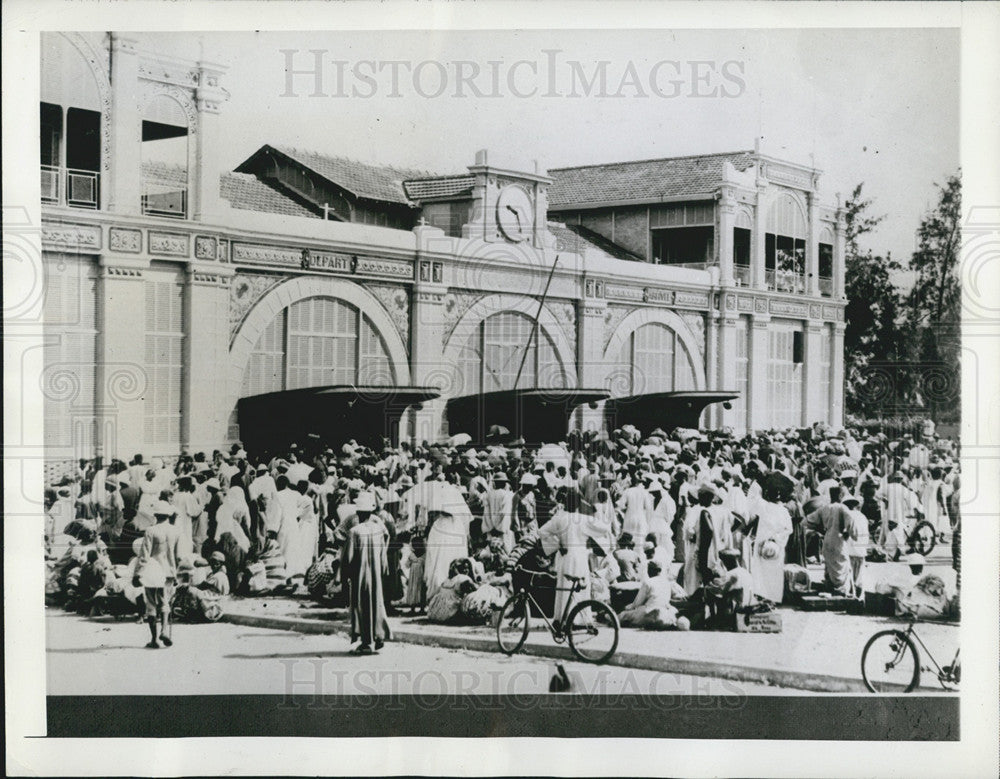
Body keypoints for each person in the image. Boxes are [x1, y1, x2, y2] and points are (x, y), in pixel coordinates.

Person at [342, 492, 391, 654]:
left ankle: (366, 642)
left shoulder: (354, 532)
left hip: (360, 572)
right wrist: (383, 566)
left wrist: (344, 577)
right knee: (377, 602)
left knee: (362, 605)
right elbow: (385, 543)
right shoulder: (378, 529)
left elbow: (348, 557)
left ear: (358, 513)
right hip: (376, 572)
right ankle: (379, 636)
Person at [133, 500, 181, 648]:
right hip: (168, 571)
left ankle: (154, 639)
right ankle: (165, 630)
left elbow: (144, 555)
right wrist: (175, 573)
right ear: (168, 515)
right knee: (164, 601)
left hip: (152, 570)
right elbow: (178, 555)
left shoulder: (150, 531)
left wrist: (137, 573)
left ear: (156, 515)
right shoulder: (176, 531)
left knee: (151, 604)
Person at [803, 489, 855, 596]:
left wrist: (821, 529)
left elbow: (807, 521)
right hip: (838, 539)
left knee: (829, 564)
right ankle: (840, 590)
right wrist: (848, 534)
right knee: (841, 565)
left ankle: (830, 587)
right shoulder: (842, 507)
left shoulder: (824, 508)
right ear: (840, 495)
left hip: (827, 539)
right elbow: (850, 523)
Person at [843, 495, 869, 598]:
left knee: (849, 574)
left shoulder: (847, 515)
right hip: (861, 549)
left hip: (850, 549)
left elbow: (846, 533)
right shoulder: (862, 516)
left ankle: (851, 596)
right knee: (859, 576)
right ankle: (858, 596)